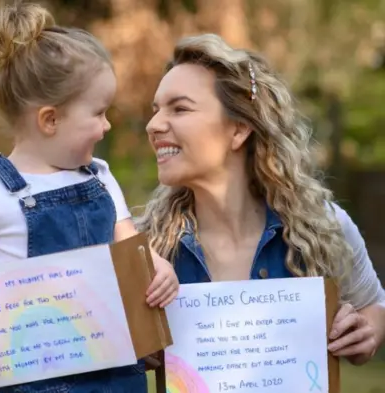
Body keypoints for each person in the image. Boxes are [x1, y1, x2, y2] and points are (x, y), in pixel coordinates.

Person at [0, 2, 179, 392]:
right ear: (50, 120)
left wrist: (157, 269)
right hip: (35, 381)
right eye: (99, 113)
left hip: (117, 375)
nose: (107, 126)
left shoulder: (100, 177)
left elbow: (132, 251)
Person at [135, 33, 385, 366]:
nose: (153, 125)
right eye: (155, 111)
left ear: (238, 130)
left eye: (179, 108)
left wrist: (366, 330)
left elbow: (374, 305)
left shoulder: (321, 226)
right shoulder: (146, 250)